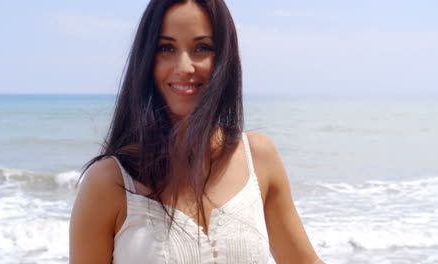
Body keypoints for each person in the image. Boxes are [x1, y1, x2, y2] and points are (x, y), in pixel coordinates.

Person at [69, 0, 325, 263]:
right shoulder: (108, 183)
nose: (184, 67)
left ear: (224, 57)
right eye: (166, 48)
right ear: (146, 59)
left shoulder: (258, 159)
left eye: (201, 48)